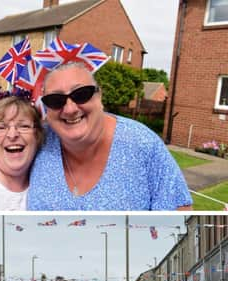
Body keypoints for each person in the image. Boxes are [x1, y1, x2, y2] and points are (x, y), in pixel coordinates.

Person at [27, 61, 192, 210]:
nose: (70, 109)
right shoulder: (38, 141)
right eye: (55, 100)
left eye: (81, 94)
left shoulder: (143, 144)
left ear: (99, 96)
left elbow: (179, 219)